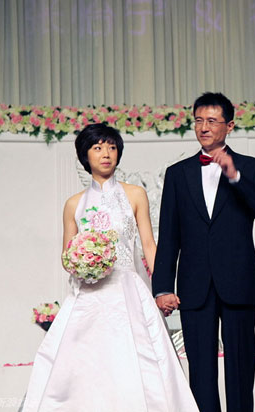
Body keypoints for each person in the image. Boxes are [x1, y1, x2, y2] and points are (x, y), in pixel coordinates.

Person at [23, 124, 198, 412]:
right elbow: (67, 257)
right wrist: (83, 261)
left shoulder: (135, 194)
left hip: (128, 290)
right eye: (98, 148)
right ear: (85, 155)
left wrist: (164, 287)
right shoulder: (73, 204)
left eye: (112, 147)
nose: (106, 154)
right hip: (88, 296)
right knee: (83, 364)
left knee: (136, 359)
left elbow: (149, 246)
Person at [152, 92, 255, 412]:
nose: (204, 127)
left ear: (230, 126)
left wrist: (235, 176)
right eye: (198, 120)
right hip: (194, 286)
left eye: (212, 121)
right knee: (200, 372)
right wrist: (163, 287)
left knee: (240, 369)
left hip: (238, 282)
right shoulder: (177, 173)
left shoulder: (252, 167)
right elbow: (169, 236)